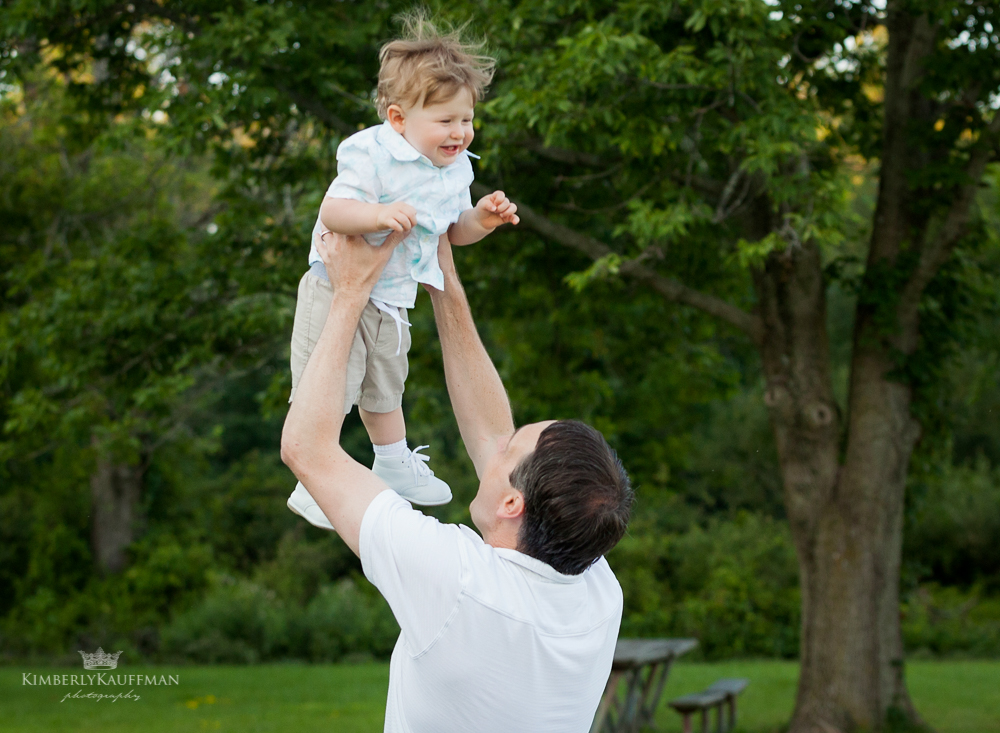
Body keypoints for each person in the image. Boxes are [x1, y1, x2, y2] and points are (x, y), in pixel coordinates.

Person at [280, 229, 634, 733]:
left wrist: (349, 292)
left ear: (513, 503)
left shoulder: (460, 585)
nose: (498, 444)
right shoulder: (595, 586)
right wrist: (439, 269)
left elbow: (306, 450)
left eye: (510, 449)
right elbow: (492, 433)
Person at [286, 15, 518, 529]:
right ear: (397, 118)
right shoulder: (371, 154)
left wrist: (480, 218)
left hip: (392, 296)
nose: (460, 132)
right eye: (446, 121)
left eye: (466, 119)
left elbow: (449, 232)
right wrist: (375, 216)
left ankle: (393, 463)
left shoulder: (455, 168)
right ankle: (311, 481)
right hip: (337, 285)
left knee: (386, 386)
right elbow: (333, 212)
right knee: (333, 382)